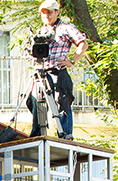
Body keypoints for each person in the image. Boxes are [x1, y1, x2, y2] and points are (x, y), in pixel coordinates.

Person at [26, 0, 88, 139]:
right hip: (42, 72)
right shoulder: (40, 31)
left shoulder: (66, 27)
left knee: (62, 102)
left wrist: (72, 61)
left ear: (56, 12)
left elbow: (82, 43)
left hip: (58, 71)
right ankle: (37, 134)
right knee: (37, 102)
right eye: (43, 13)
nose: (46, 15)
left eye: (49, 12)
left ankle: (66, 134)